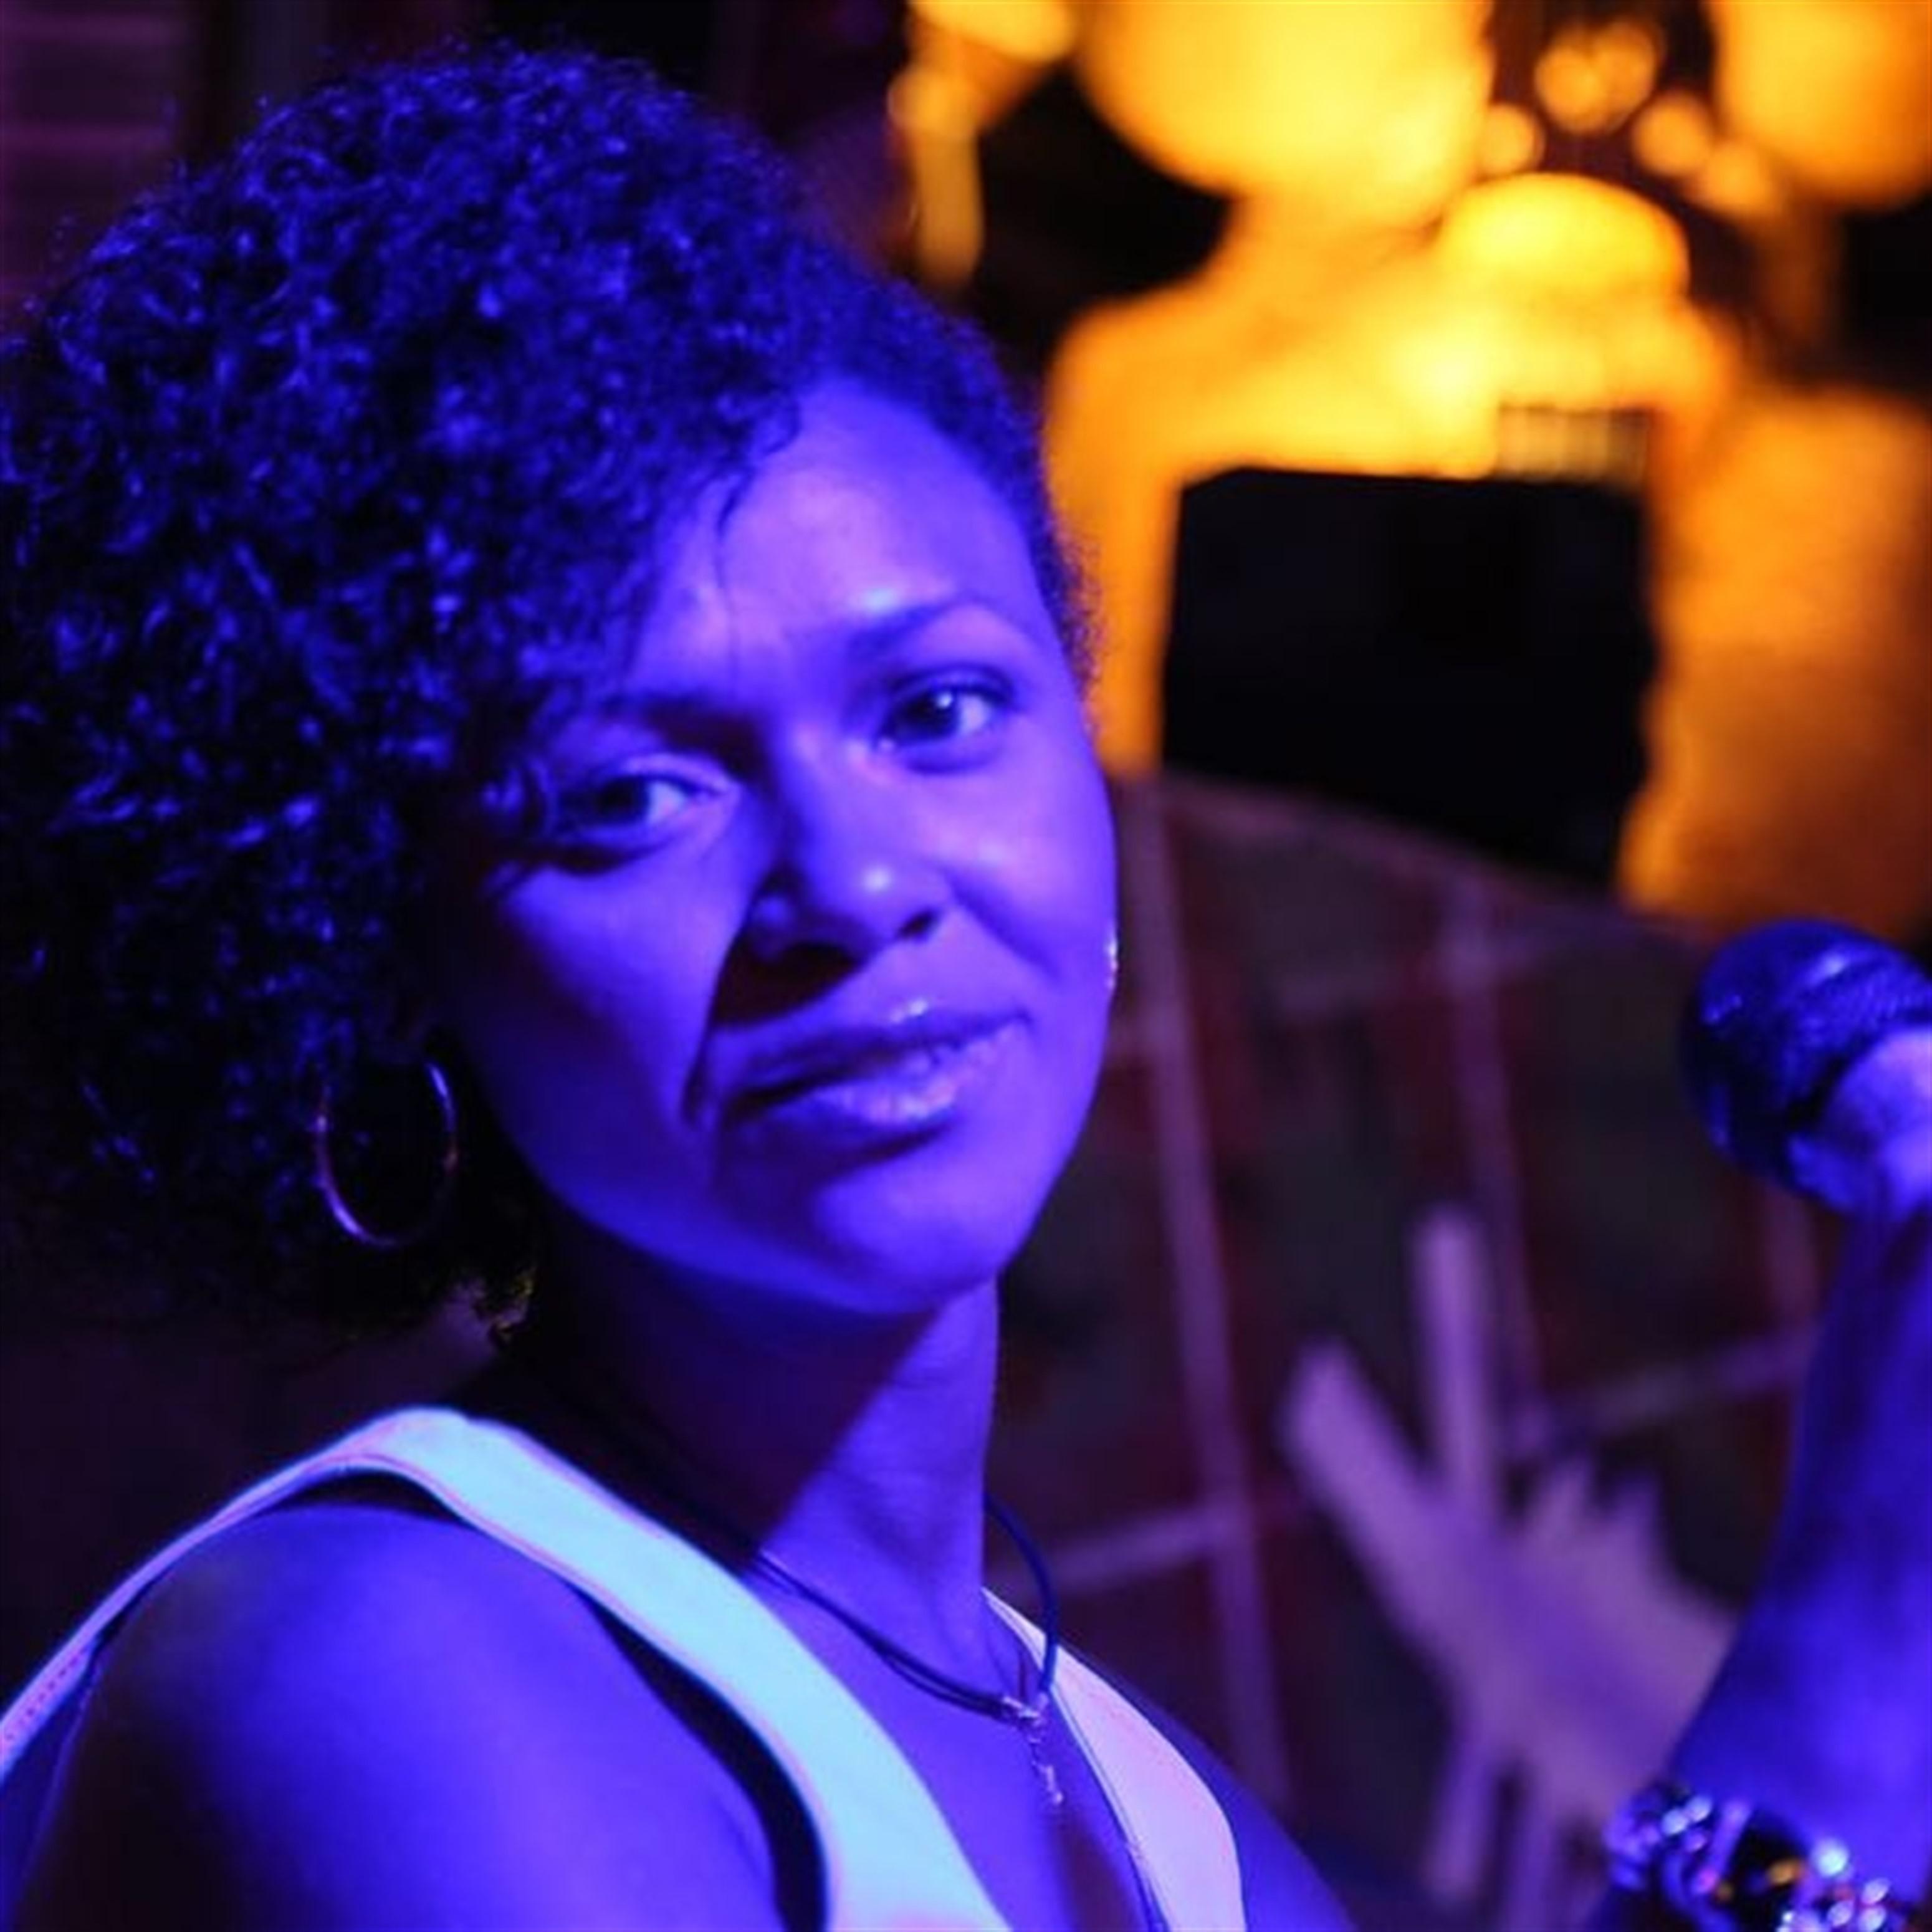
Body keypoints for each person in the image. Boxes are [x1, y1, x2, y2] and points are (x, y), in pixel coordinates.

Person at [0, 45, 1924, 1932]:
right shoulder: (370, 1669)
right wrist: (1847, 1665)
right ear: (383, 951)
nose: (851, 887)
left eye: (935, 710)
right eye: (630, 796)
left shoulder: (1164, 1817)